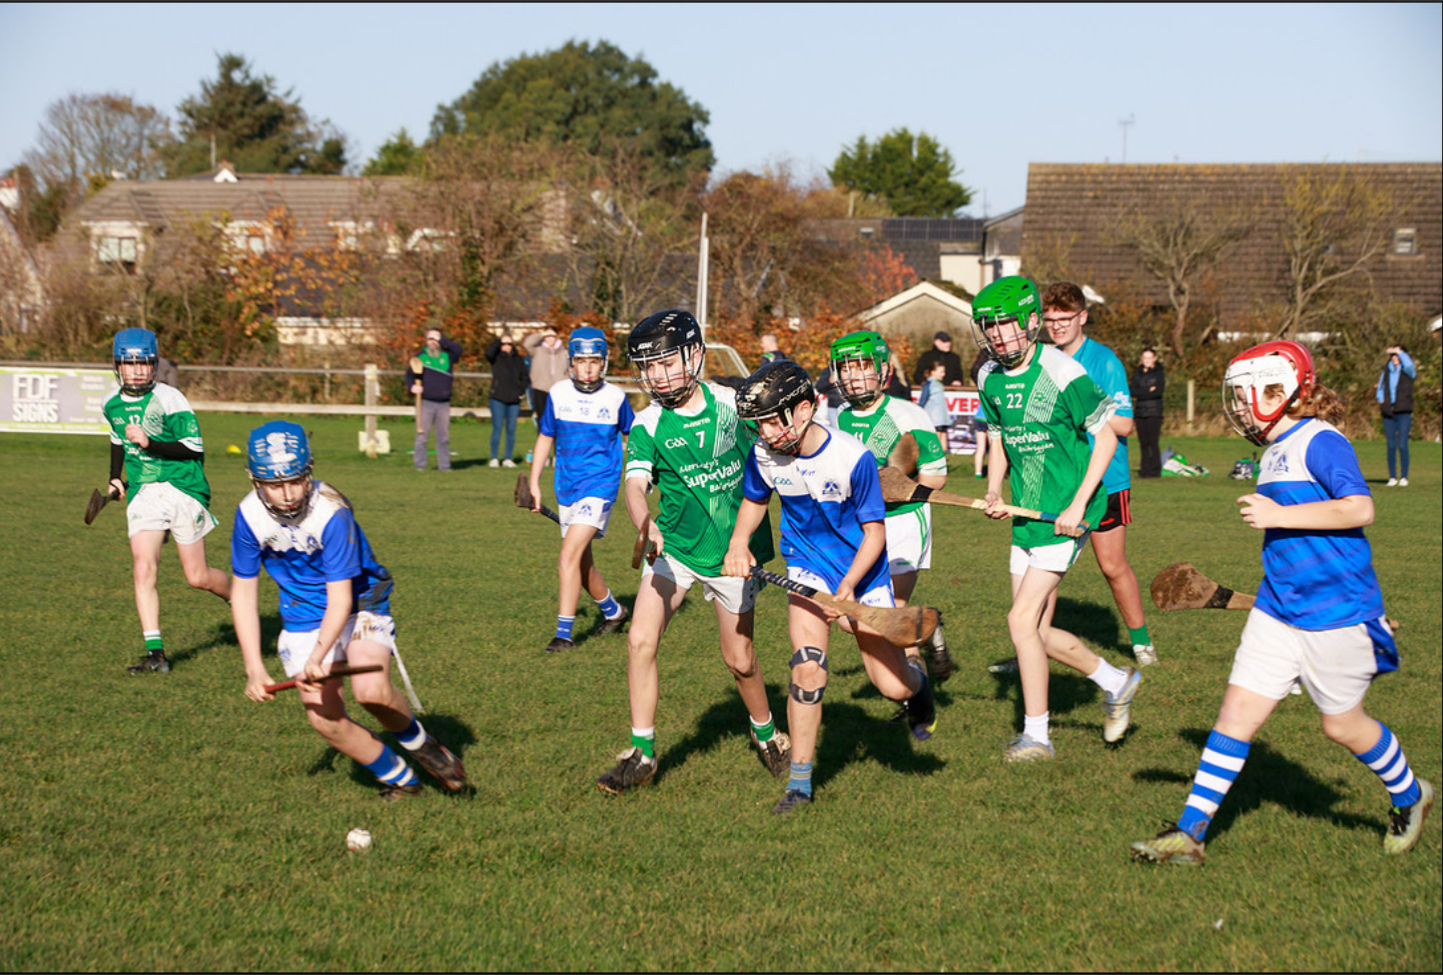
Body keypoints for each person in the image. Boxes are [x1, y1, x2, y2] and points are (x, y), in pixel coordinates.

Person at [1132, 341, 1433, 864]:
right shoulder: (1271, 450)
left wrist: (1279, 516)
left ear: (1281, 394)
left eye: (1245, 396)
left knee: (1341, 726)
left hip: (1336, 612)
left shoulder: (1321, 440)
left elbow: (1360, 508)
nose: (1239, 408)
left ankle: (1410, 794)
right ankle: (1189, 834)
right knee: (1235, 717)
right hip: (1276, 608)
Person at [725, 361, 937, 815]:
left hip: (863, 569)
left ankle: (919, 685)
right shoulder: (764, 454)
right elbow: (754, 501)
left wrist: (849, 587)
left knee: (891, 686)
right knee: (808, 669)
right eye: (759, 424)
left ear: (803, 410)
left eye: (772, 421)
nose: (765, 433)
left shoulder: (851, 457)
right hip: (806, 567)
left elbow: (875, 534)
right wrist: (739, 542)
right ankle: (799, 785)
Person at [595, 309, 791, 795]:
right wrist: (645, 522)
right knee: (640, 639)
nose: (659, 376)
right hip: (675, 549)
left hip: (733, 554)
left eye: (667, 363)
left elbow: (775, 455)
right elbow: (635, 485)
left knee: (740, 660)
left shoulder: (732, 406)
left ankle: (767, 733)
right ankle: (642, 754)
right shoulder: (647, 424)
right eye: (649, 367)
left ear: (695, 355)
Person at [231, 421, 469, 799]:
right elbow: (243, 594)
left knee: (371, 691)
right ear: (254, 480)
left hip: (360, 602)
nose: (287, 495)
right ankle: (402, 781)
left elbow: (340, 598)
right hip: (302, 613)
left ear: (309, 472)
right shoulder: (248, 517)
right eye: (274, 486)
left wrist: (318, 657)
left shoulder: (332, 512)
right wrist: (254, 669)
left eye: (296, 481)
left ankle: (423, 745)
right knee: (325, 721)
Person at [972, 276, 1141, 762]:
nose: (998, 335)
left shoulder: (1063, 371)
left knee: (1020, 620)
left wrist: (1077, 506)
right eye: (989, 327)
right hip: (1026, 514)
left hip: (1067, 512)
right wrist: (994, 489)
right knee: (1034, 632)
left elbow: (1106, 438)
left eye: (1005, 324)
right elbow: (1000, 438)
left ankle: (1038, 737)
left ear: (1030, 322)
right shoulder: (989, 376)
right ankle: (1115, 681)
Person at [102, 327, 231, 674]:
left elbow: (193, 448)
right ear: (117, 366)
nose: (137, 371)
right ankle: (156, 654)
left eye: (143, 363)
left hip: (182, 487)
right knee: (143, 566)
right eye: (129, 364)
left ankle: (239, 598)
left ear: (154, 365)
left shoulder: (170, 398)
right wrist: (115, 476)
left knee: (197, 576)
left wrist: (150, 443)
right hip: (144, 492)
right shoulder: (111, 404)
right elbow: (117, 439)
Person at [831, 330, 956, 683]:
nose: (853, 377)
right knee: (854, 618)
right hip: (862, 527)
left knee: (888, 613)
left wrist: (895, 486)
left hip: (904, 523)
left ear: (882, 369)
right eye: (846, 368)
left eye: (862, 366)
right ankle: (926, 632)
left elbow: (937, 477)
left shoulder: (909, 415)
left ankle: (914, 693)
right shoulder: (839, 417)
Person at [1042, 282, 1157, 667]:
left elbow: (1124, 425)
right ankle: (1033, 641)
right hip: (1060, 481)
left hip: (1107, 480)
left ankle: (1141, 644)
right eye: (1050, 319)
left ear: (1083, 317)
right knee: (1043, 566)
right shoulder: (1042, 360)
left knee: (1111, 566)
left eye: (1065, 318)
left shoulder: (1104, 361)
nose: (1057, 326)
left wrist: (1079, 409)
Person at [526, 327, 636, 653]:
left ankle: (564, 635)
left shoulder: (615, 397)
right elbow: (546, 437)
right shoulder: (558, 394)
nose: (588, 368)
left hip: (600, 485)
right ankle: (614, 612)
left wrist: (641, 475)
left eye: (594, 361)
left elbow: (635, 437)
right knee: (582, 564)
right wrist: (534, 483)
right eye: (581, 361)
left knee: (567, 556)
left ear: (604, 362)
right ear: (571, 363)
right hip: (567, 486)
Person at [404, 328, 463, 472]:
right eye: (430, 338)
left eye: (436, 339)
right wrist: (412, 387)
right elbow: (409, 376)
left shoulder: (448, 356)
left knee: (443, 438)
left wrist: (442, 340)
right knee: (422, 436)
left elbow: (459, 350)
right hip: (425, 402)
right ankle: (420, 466)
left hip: (444, 403)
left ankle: (445, 467)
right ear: (426, 341)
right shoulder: (420, 357)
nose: (433, 342)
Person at [484, 331, 528, 467]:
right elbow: (488, 353)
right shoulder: (495, 357)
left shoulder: (518, 359)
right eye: (504, 344)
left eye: (509, 344)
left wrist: (520, 392)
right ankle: (494, 458)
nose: (507, 346)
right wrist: (499, 340)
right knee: (497, 428)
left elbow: (525, 377)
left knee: (511, 430)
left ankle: (507, 458)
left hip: (513, 401)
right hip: (497, 398)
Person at [1376, 344, 1415, 487]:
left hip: (1403, 412)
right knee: (1391, 445)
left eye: (1397, 355)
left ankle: (1404, 477)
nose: (1395, 358)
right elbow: (1380, 388)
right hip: (1389, 412)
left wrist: (1399, 351)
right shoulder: (1386, 371)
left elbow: (1409, 364)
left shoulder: (1408, 371)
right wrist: (1381, 400)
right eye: (1393, 355)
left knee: (1402, 445)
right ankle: (1392, 477)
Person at [1130, 347, 1165, 479]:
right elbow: (1132, 391)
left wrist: (1142, 392)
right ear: (1141, 359)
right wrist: (1147, 391)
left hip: (1154, 411)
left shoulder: (1159, 373)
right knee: (1143, 442)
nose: (1147, 360)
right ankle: (1144, 469)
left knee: (1153, 442)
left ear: (1154, 359)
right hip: (1140, 411)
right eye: (1145, 358)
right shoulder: (1137, 373)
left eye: (1150, 358)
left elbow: (1158, 392)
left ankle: (1155, 470)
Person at [522, 327, 568, 427]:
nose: (550, 338)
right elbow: (527, 344)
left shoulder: (564, 352)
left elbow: (569, 371)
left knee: (558, 420)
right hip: (541, 388)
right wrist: (541, 334)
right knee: (542, 420)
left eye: (552, 336)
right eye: (547, 336)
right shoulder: (537, 351)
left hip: (559, 390)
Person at [918, 359, 952, 456]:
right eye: (941, 372)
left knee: (944, 447)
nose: (944, 374)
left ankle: (940, 463)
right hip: (935, 419)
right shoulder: (928, 384)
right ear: (933, 372)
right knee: (935, 446)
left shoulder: (939, 383)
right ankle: (930, 463)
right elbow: (922, 401)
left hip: (943, 419)